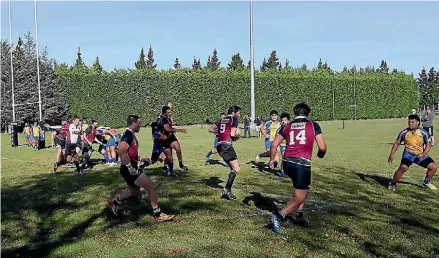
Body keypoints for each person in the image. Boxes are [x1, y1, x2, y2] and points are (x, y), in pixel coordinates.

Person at [268, 103, 327, 233]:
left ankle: (299, 217)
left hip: (287, 163)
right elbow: (322, 147)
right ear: (308, 112)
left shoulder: (287, 125)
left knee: (299, 189)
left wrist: (272, 159)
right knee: (301, 196)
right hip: (302, 164)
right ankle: (278, 216)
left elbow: (273, 145)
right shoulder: (313, 124)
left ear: (295, 113)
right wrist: (320, 154)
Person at [108, 115, 175, 222]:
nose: (140, 125)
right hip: (128, 170)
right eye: (139, 123)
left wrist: (141, 158)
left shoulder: (131, 135)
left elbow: (130, 153)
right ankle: (158, 214)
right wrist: (130, 168)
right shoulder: (127, 135)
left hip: (128, 169)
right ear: (134, 123)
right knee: (152, 187)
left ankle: (114, 202)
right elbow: (121, 152)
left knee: (134, 192)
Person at [388, 114, 437, 190]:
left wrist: (423, 154)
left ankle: (426, 182)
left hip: (419, 155)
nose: (410, 123)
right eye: (409, 122)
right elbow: (397, 143)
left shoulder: (424, 133)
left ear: (417, 122)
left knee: (433, 167)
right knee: (403, 168)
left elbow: (429, 145)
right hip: (408, 155)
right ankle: (393, 183)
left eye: (412, 122)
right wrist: (392, 155)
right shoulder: (404, 132)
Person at [208, 105, 241, 200]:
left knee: (232, 168)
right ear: (234, 113)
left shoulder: (221, 119)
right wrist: (237, 136)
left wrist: (220, 133)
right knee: (237, 168)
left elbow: (210, 129)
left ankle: (228, 190)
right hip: (226, 146)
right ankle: (227, 189)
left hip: (219, 146)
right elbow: (232, 134)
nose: (239, 115)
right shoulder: (234, 119)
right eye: (238, 113)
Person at [156, 105, 188, 176]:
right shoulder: (162, 119)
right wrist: (181, 130)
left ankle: (180, 164)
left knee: (178, 149)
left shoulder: (168, 118)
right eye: (168, 112)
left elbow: (170, 127)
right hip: (164, 139)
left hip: (171, 136)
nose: (170, 113)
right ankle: (169, 171)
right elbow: (168, 129)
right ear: (164, 113)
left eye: (170, 112)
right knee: (169, 157)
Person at [278, 112, 290, 179]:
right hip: (283, 145)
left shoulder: (291, 127)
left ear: (288, 120)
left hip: (290, 146)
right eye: (282, 120)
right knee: (284, 159)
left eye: (285, 120)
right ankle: (282, 172)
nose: (283, 122)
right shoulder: (281, 129)